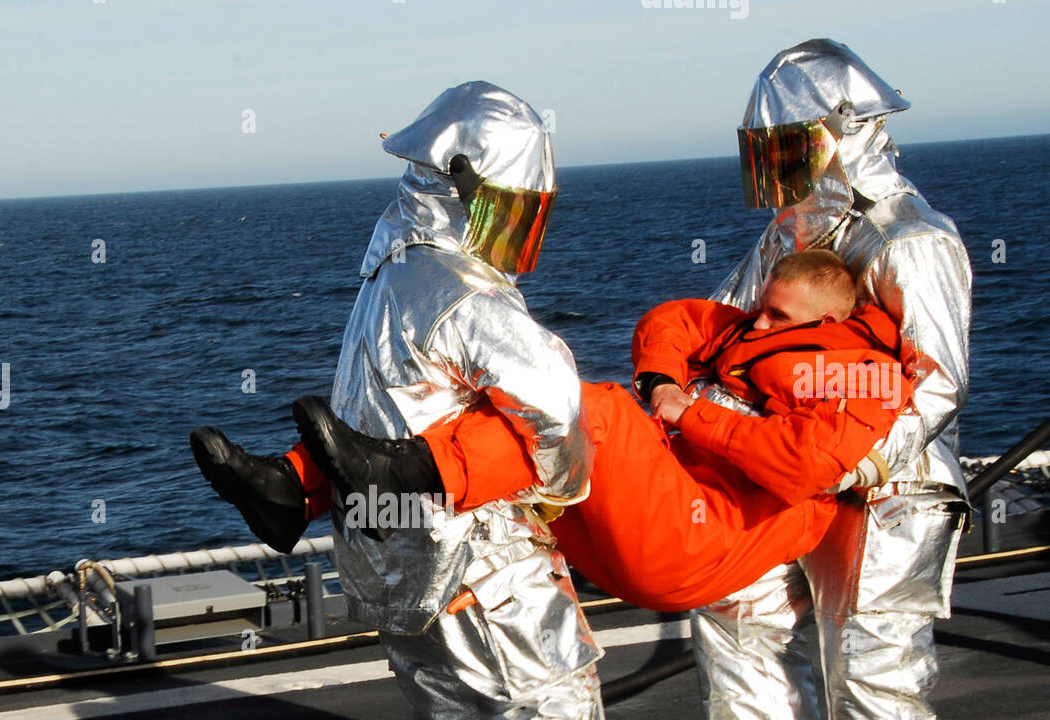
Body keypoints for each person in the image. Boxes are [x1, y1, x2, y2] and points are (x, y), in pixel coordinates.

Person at [195, 82, 604, 720]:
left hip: (388, 559)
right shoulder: (464, 292)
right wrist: (565, 476)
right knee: (555, 708)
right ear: (467, 191)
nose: (516, 234)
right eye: (510, 212)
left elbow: (362, 415)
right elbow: (556, 407)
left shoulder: (386, 278)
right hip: (476, 553)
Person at [669, 39, 971, 720]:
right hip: (799, 482)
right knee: (735, 606)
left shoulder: (911, 239)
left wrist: (853, 461)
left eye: (787, 147)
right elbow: (733, 335)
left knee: (871, 666)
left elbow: (937, 382)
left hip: (890, 492)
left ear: (840, 133)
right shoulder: (794, 234)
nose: (777, 168)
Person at [293, 249, 910, 616]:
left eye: (779, 315)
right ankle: (298, 487)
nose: (761, 322)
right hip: (638, 525)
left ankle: (403, 473)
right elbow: (672, 321)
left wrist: (689, 414)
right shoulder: (751, 333)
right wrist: (662, 380)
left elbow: (808, 465)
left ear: (829, 320)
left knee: (592, 410)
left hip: (698, 540)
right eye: (762, 307)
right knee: (508, 407)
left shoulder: (861, 374)